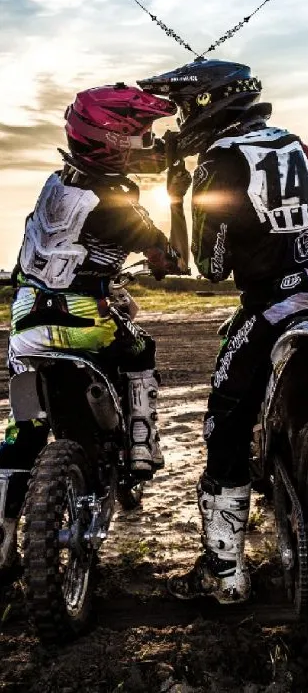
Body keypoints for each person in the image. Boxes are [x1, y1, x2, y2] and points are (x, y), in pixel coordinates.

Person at [138, 59, 308, 604]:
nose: (179, 122)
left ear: (207, 106)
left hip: (275, 307)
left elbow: (212, 265)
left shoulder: (220, 164)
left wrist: (179, 199)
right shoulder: (291, 145)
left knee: (225, 422)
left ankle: (225, 571)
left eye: (183, 108)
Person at [0, 82, 189, 570]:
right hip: (83, 320)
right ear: (115, 139)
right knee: (140, 350)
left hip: (26, 322)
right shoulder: (119, 207)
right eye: (141, 134)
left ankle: (2, 539)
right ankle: (143, 443)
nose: (147, 142)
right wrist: (175, 199)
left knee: (24, 429)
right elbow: (169, 260)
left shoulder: (57, 185)